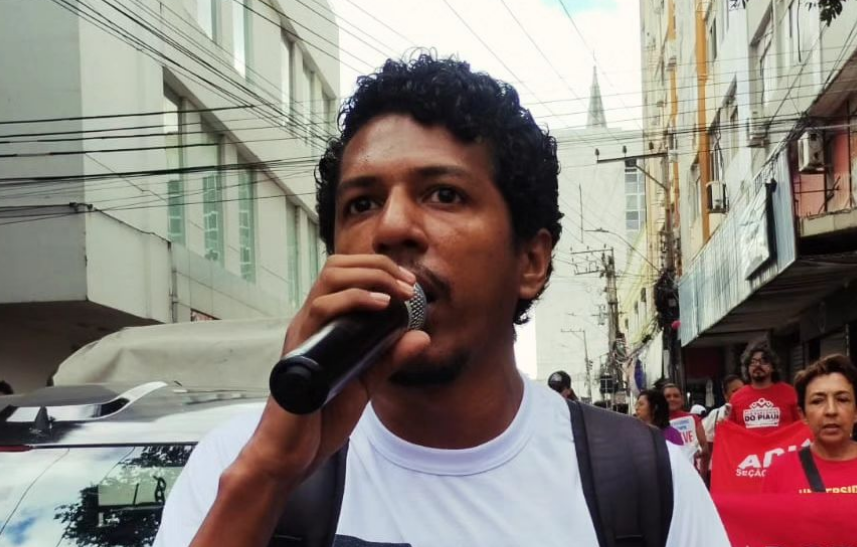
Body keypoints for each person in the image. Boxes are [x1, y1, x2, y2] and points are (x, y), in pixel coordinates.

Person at [154, 54, 729, 547]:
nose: (392, 227)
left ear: (530, 262)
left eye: (444, 194)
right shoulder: (238, 468)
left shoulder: (642, 482)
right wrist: (268, 477)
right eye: (361, 203)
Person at [763, 354, 857, 494]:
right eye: (817, 401)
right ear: (802, 414)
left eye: (842, 399)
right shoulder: (780, 471)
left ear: (855, 412)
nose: (831, 411)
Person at [728, 341, 800, 430]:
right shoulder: (736, 398)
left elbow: (802, 426)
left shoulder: (790, 393)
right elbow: (730, 431)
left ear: (773, 367)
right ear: (747, 368)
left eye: (763, 361)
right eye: (753, 362)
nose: (758, 365)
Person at [664, 383, 710, 472]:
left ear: (682, 400)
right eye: (668, 396)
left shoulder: (693, 419)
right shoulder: (655, 423)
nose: (672, 399)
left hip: (691, 473)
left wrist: (702, 478)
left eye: (676, 396)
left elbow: (705, 449)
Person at [702, 374, 744, 444]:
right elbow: (708, 440)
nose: (740, 393)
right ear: (725, 395)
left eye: (742, 390)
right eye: (735, 391)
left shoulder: (752, 411)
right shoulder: (715, 414)